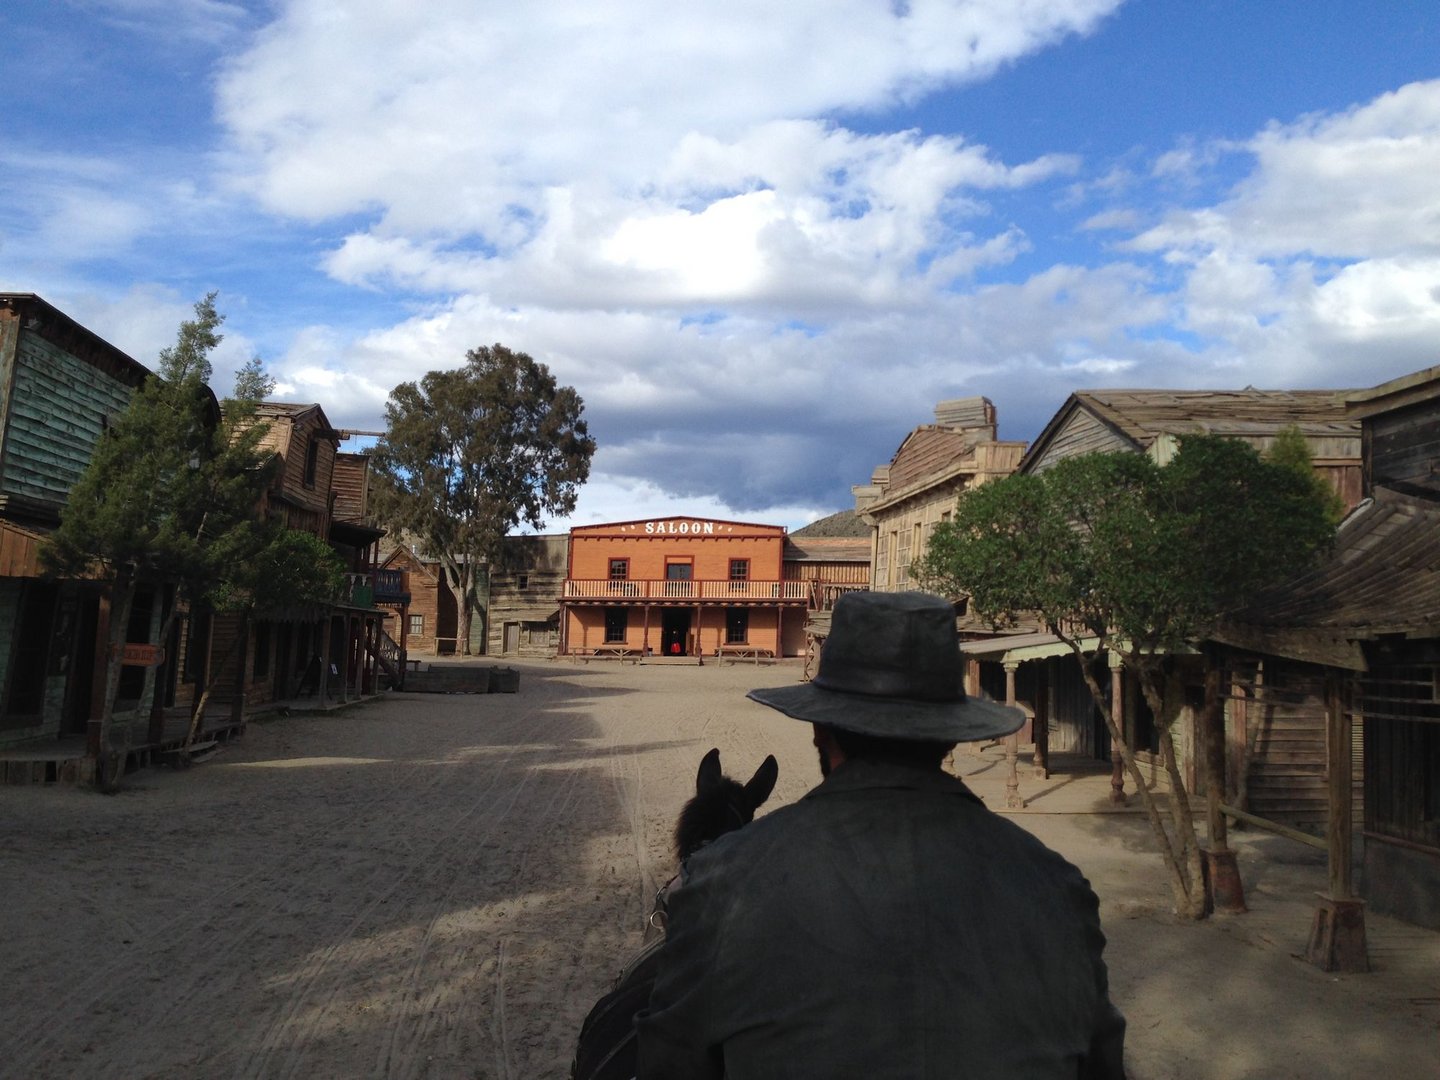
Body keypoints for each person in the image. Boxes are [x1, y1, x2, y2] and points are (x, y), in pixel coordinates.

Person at [634, 590, 1127, 1079]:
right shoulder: (1058, 887)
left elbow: (667, 1062)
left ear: (819, 731)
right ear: (951, 734)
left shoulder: (723, 879)